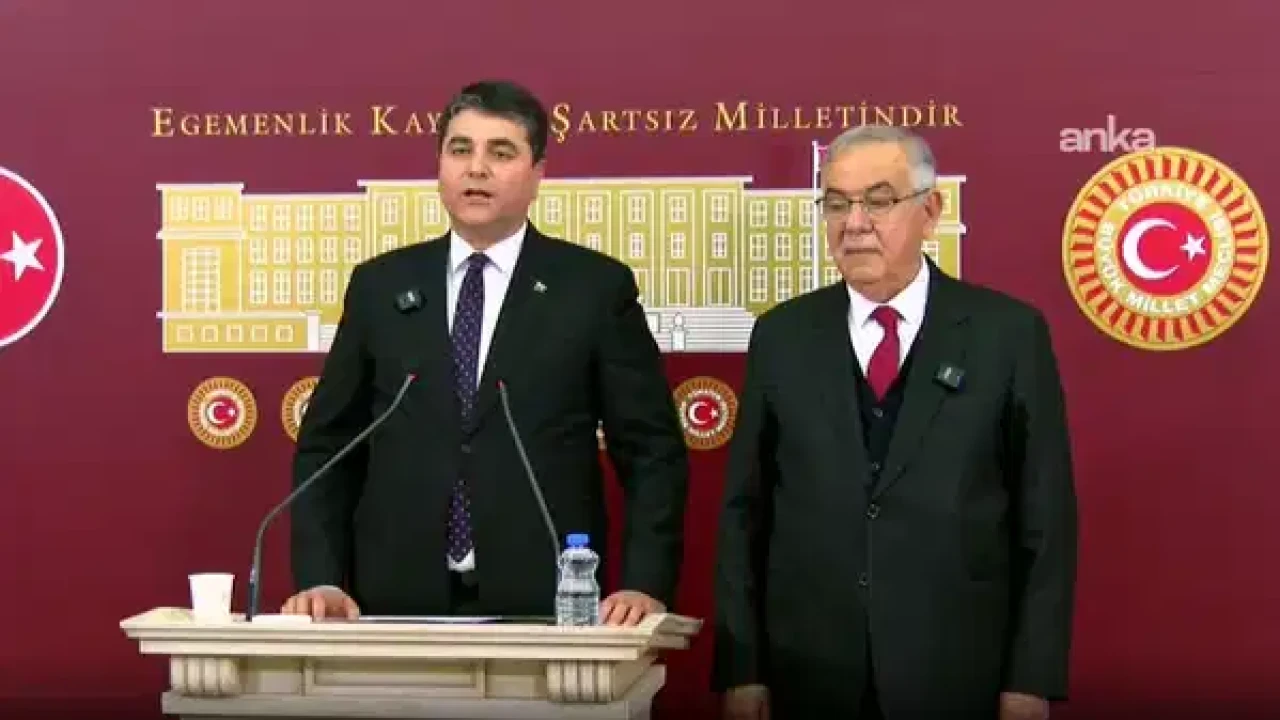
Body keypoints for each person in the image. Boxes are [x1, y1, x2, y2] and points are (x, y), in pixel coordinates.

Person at [281, 79, 689, 626]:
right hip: (393, 601)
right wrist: (322, 576)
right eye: (460, 150)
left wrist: (644, 584)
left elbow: (651, 452)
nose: (476, 169)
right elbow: (328, 445)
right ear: (440, 167)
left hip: (547, 600)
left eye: (501, 152)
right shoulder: (381, 286)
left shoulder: (593, 289)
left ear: (537, 173)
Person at [712, 125, 1078, 719]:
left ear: (930, 212)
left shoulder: (1008, 336)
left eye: (878, 201)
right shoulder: (781, 336)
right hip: (808, 675)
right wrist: (742, 668)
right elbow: (743, 516)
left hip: (958, 676)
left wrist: (1030, 679)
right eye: (836, 204)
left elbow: (1046, 522)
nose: (853, 224)